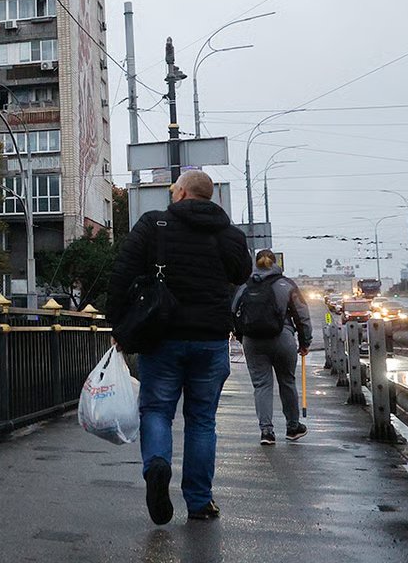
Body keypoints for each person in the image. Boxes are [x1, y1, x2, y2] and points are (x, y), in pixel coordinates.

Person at [107, 170, 252, 525]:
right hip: (211, 340)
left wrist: (120, 327)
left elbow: (122, 275)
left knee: (156, 410)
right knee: (202, 421)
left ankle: (157, 464)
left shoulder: (154, 225)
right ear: (211, 198)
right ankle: (200, 502)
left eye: (174, 191)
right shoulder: (229, 234)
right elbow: (243, 272)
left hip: (162, 337)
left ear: (183, 193)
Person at [232, 249, 312, 445]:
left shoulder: (245, 286)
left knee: (261, 385)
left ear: (255, 264)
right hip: (282, 339)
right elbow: (302, 316)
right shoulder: (286, 284)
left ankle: (266, 432)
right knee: (287, 382)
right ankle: (293, 427)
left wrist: (242, 337)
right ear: (276, 263)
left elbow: (234, 312)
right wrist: (304, 342)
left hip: (253, 341)